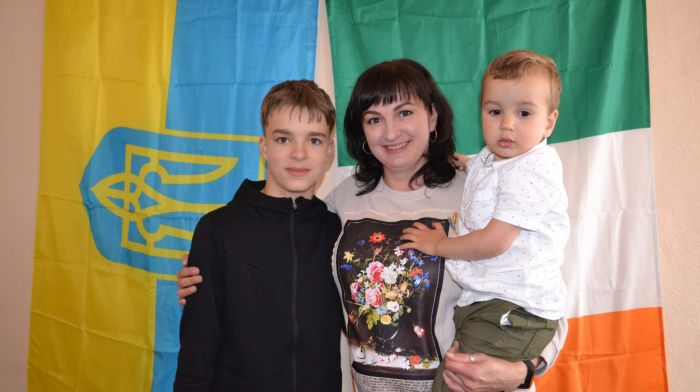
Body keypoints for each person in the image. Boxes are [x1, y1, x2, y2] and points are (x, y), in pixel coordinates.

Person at [177, 59, 567, 392]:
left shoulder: (481, 189)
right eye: (375, 118)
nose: (391, 132)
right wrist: (209, 275)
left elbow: (541, 292)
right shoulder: (339, 205)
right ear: (360, 132)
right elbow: (287, 262)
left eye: (405, 113)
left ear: (432, 116)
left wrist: (522, 370)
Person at [399, 50, 569, 392]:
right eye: (495, 111)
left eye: (523, 113)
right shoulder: (496, 159)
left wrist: (439, 245)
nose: (506, 124)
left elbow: (494, 241)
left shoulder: (533, 169)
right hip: (490, 307)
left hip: (511, 312)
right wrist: (465, 163)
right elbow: (488, 167)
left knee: (454, 383)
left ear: (549, 122)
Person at [173, 80, 343, 391]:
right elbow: (196, 356)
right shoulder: (218, 230)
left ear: (330, 150)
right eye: (283, 139)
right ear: (264, 146)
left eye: (314, 140)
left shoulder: (340, 232)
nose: (299, 154)